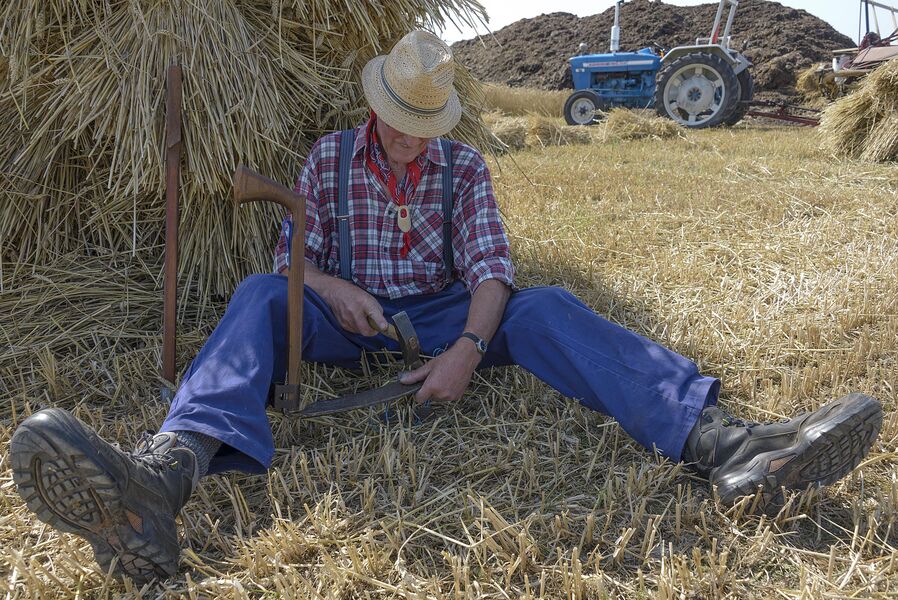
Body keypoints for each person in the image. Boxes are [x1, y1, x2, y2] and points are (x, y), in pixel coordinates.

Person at [10, 30, 883, 584]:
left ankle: (728, 448)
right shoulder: (326, 159)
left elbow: (492, 269)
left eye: (421, 123)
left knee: (544, 307)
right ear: (373, 103)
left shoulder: (462, 168)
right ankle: (163, 477)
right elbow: (289, 259)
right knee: (258, 295)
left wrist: (466, 345)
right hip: (340, 320)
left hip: (438, 315)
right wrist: (332, 287)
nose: (405, 135)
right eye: (395, 117)